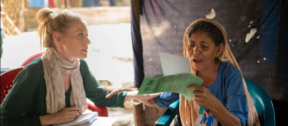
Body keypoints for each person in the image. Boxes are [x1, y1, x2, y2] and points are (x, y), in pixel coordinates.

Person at [0, 8, 159, 126]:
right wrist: (53, 118)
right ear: (58, 38)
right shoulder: (34, 71)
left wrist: (137, 95)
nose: (88, 42)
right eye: (80, 35)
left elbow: (99, 96)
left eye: (87, 35)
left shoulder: (79, 65)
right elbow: (5, 119)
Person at [152, 19, 260, 126]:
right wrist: (139, 95)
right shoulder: (186, 75)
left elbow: (237, 124)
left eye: (204, 46)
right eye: (191, 44)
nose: (195, 51)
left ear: (218, 50)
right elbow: (162, 99)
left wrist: (213, 104)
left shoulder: (230, 75)